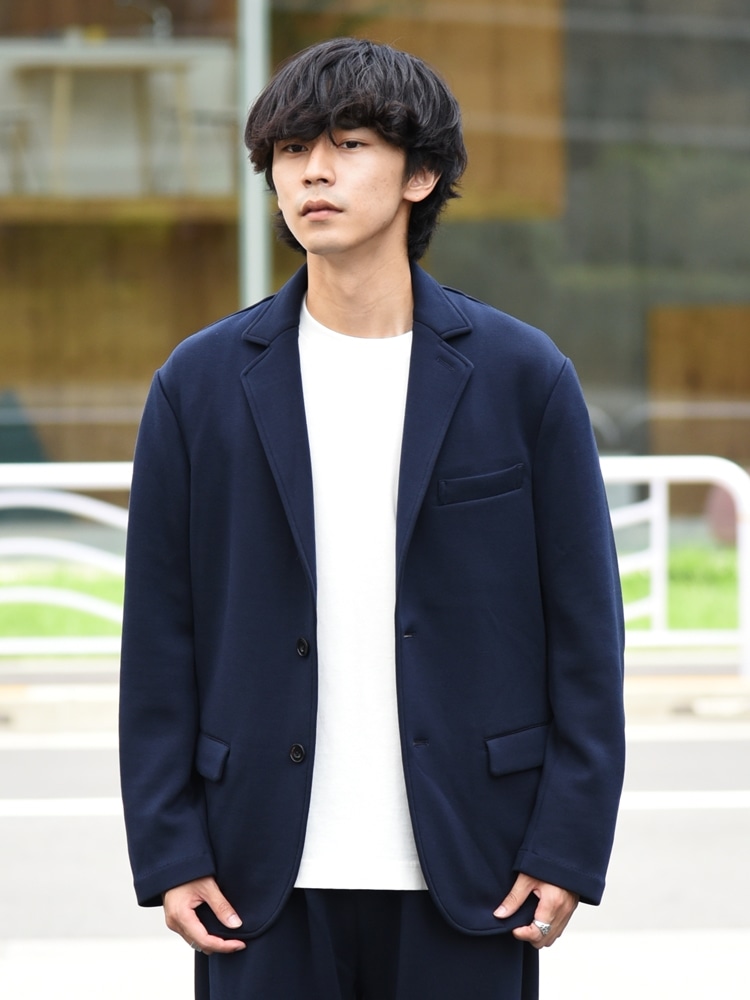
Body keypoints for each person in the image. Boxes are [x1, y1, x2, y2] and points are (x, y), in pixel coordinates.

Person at [119, 37, 626, 1000]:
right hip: (254, 873)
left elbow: (587, 638)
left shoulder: (524, 376)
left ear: (420, 174)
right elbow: (158, 635)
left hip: (475, 865)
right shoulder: (200, 384)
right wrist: (168, 845)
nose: (313, 170)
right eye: (290, 149)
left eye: (348, 144)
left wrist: (568, 843)